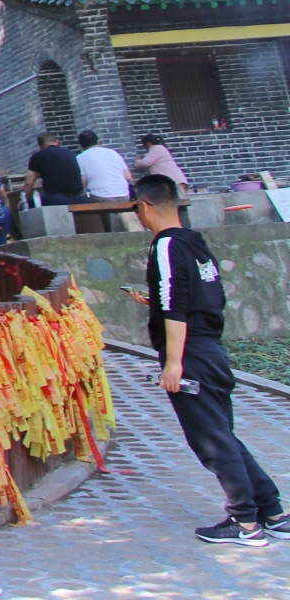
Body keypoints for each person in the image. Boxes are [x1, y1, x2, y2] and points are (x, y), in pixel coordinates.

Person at [128, 174, 287, 545]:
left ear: (145, 206)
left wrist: (173, 363)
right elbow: (204, 297)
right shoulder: (194, 242)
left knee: (211, 443)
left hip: (190, 355)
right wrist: (155, 303)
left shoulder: (166, 245)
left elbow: (174, 304)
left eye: (135, 207)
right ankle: (273, 512)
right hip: (210, 349)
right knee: (223, 436)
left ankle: (245, 523)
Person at [22, 132, 89, 206]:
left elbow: (28, 183)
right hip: (80, 198)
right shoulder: (70, 153)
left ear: (39, 146)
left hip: (56, 200)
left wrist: (25, 199)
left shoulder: (37, 156)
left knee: (33, 203)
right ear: (57, 142)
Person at [75, 130, 132, 200]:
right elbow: (128, 177)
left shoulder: (80, 158)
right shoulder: (113, 153)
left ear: (81, 146)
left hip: (100, 197)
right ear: (98, 141)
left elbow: (82, 182)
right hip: (124, 196)